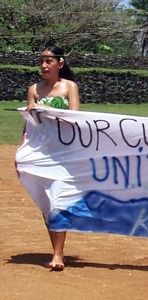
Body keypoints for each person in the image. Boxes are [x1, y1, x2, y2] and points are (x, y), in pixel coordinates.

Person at [20, 45, 80, 271]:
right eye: (41, 61)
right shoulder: (34, 90)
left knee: (59, 200)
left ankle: (58, 255)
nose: (44, 65)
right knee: (47, 205)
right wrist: (21, 154)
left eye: (49, 61)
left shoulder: (69, 87)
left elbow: (74, 118)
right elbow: (29, 127)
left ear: (60, 63)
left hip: (63, 154)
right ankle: (55, 249)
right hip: (39, 154)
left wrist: (44, 111)